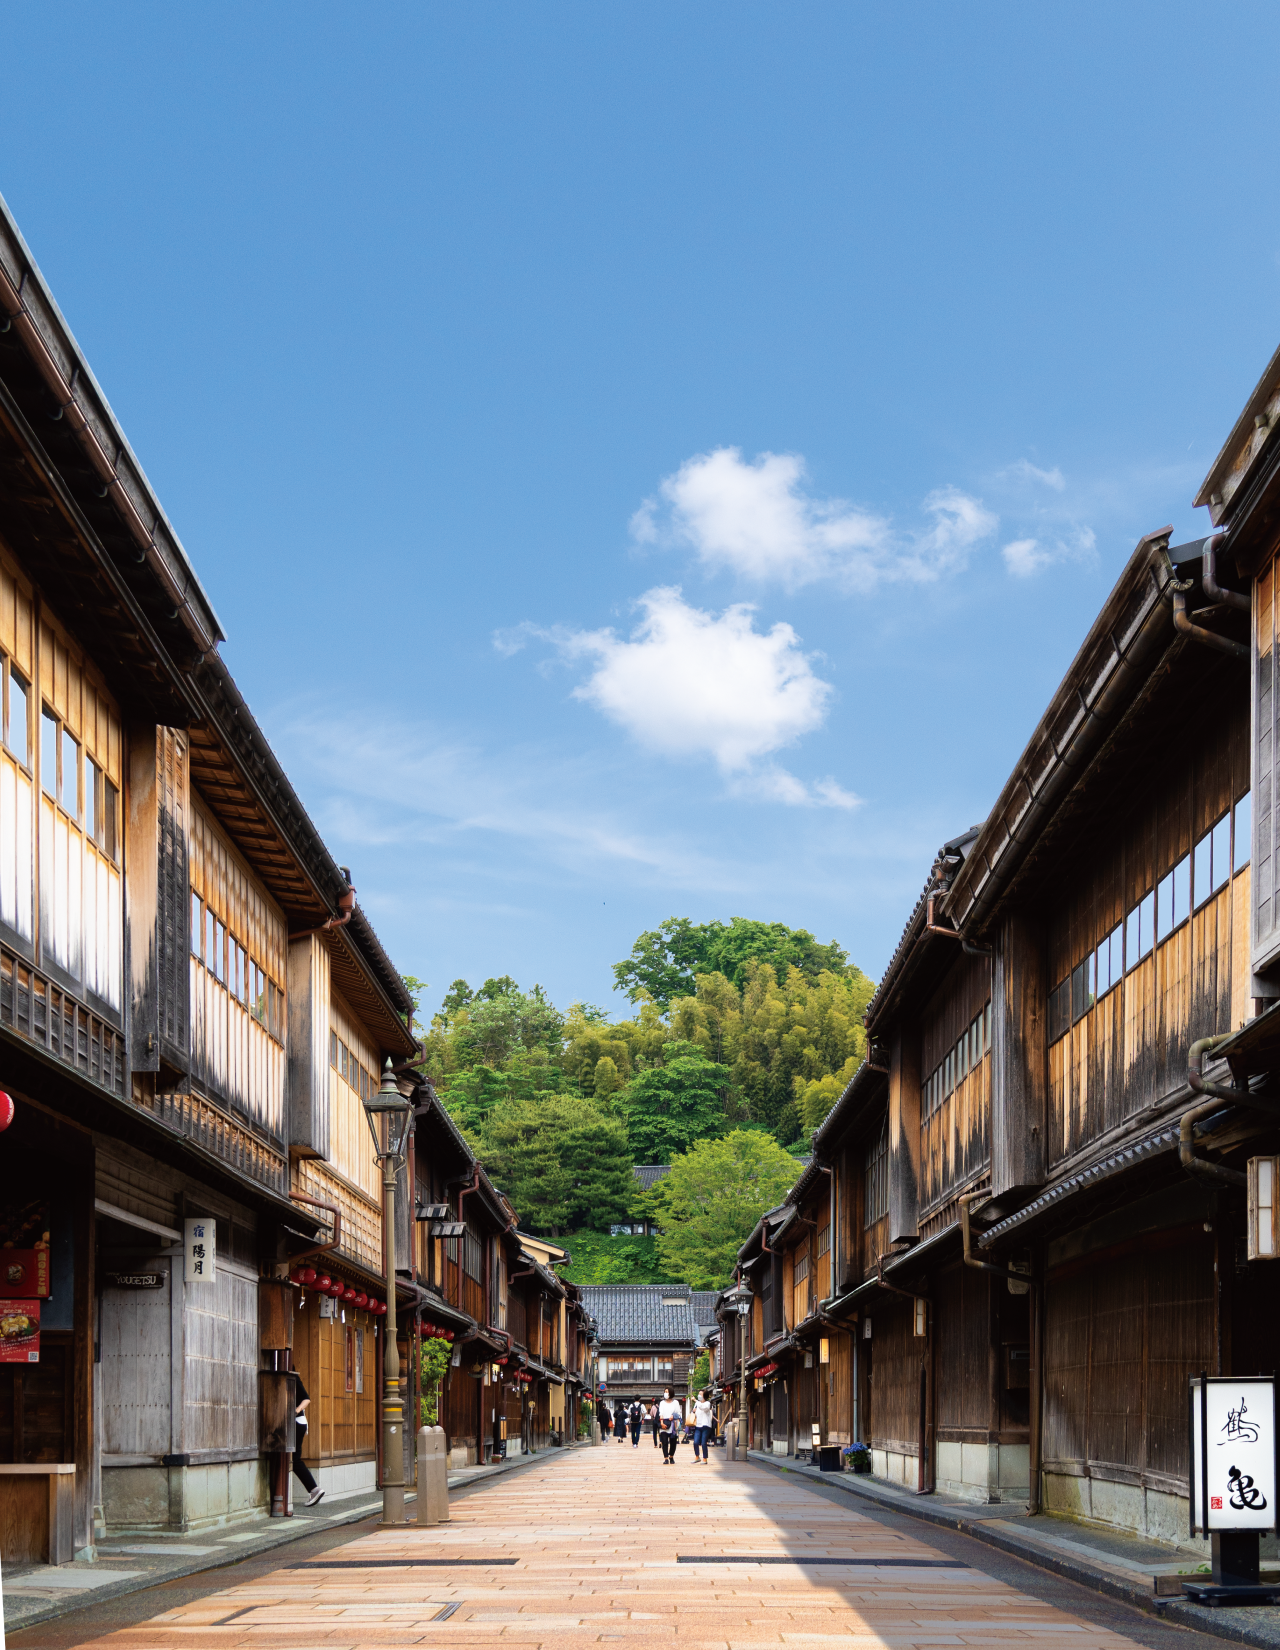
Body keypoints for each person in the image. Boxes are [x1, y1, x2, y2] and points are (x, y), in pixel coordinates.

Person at [290, 1373, 325, 1506]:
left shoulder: (293, 1378)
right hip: (298, 1423)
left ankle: (314, 1489)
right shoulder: (290, 1380)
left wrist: (296, 1410)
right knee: (294, 1459)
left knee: (295, 1459)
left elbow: (306, 1399)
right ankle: (314, 1489)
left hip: (297, 1423)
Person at [658, 1386, 681, 1464]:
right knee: (664, 1442)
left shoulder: (676, 1402)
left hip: (673, 1424)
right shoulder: (662, 1403)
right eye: (665, 1391)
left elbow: (678, 1413)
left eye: (667, 1392)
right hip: (664, 1423)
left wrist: (673, 1416)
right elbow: (660, 1413)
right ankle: (666, 1458)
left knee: (673, 1442)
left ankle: (671, 1456)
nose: (666, 1393)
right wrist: (661, 1423)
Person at [691, 1389, 714, 1464]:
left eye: (701, 1394)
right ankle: (697, 1456)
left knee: (704, 1442)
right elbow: (695, 1412)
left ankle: (705, 1458)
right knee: (695, 1442)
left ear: (704, 1396)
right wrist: (694, 1410)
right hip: (698, 1425)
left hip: (706, 1425)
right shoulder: (697, 1404)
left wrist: (695, 1401)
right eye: (699, 1394)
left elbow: (703, 1408)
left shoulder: (707, 1403)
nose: (699, 1395)